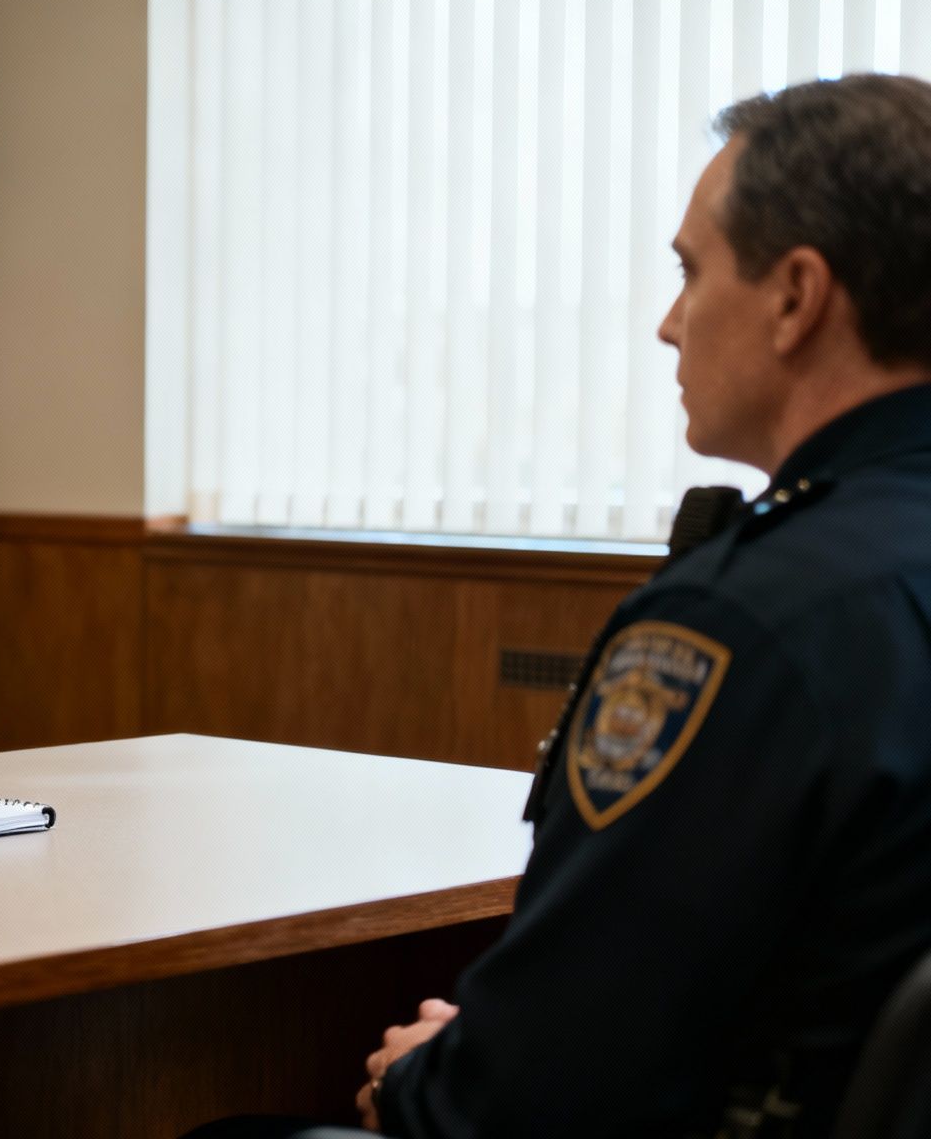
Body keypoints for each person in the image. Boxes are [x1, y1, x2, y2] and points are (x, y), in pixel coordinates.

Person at [194, 73, 931, 1139]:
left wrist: (421, 1078)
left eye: (689, 272)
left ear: (794, 296)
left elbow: (536, 1099)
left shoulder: (742, 622)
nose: (666, 325)